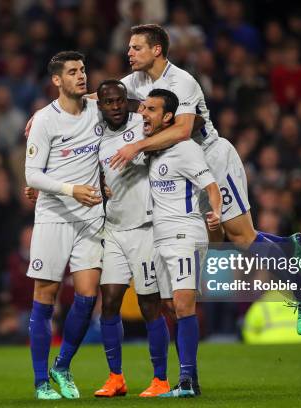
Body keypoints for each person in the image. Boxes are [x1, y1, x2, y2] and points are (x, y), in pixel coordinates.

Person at [104, 24, 301, 335]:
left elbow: (183, 130)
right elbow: (106, 96)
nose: (129, 52)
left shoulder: (182, 82)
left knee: (242, 237)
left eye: (136, 47)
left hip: (211, 160)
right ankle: (287, 245)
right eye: (130, 47)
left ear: (157, 50)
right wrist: (55, 111)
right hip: (179, 169)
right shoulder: (137, 80)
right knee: (216, 243)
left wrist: (136, 145)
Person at [24, 51, 104, 400]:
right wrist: (72, 190)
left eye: (83, 70)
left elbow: (125, 99)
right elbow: (31, 175)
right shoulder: (44, 120)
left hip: (90, 218)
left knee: (87, 296)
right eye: (72, 72)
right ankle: (41, 382)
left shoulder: (98, 109)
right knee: (45, 296)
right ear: (57, 80)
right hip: (54, 216)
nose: (81, 76)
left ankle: (63, 365)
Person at [92, 80, 170, 398]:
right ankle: (116, 378)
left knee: (149, 304)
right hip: (113, 229)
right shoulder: (94, 134)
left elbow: (174, 123)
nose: (114, 107)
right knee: (109, 303)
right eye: (107, 102)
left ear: (128, 101)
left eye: (119, 100)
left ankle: (160, 379)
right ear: (100, 105)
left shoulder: (143, 123)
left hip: (145, 227)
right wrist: (98, 183)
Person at [143, 89, 222, 398]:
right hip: (160, 237)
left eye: (151, 109)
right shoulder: (153, 150)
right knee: (169, 306)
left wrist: (214, 212)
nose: (143, 114)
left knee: (183, 302)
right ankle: (191, 378)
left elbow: (211, 186)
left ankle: (186, 379)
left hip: (185, 234)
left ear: (168, 117)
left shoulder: (186, 149)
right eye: (144, 108)